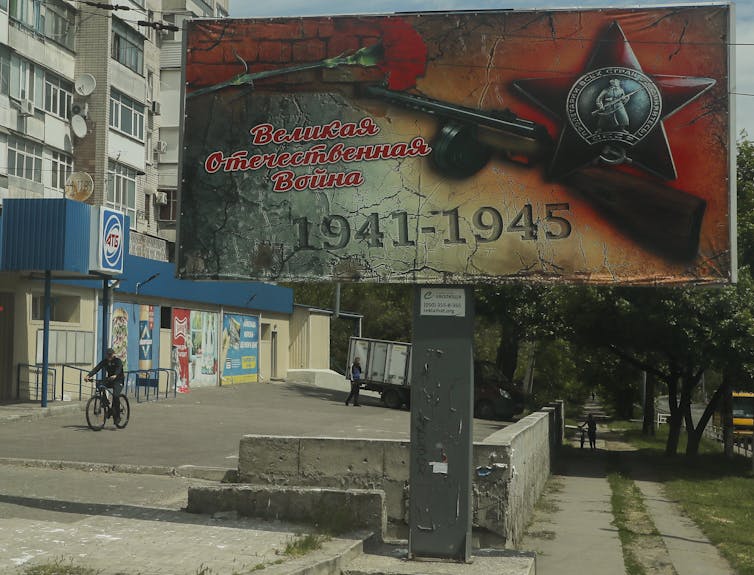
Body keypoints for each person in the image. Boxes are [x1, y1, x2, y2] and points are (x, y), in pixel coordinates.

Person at [86, 348, 125, 424]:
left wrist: (115, 375)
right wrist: (88, 376)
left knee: (116, 395)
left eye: (110, 355)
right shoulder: (105, 361)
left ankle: (117, 416)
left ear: (113, 354)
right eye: (108, 355)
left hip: (118, 380)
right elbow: (97, 368)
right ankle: (105, 402)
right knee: (100, 385)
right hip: (110, 379)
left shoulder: (118, 361)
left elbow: (119, 369)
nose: (109, 356)